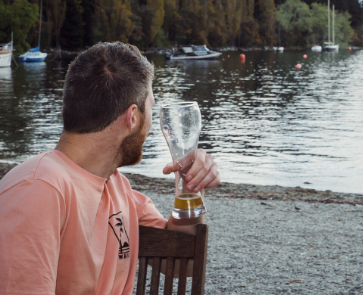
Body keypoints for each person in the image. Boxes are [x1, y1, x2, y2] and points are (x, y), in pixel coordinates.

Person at [0, 42, 220, 295]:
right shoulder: (38, 189)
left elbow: (185, 265)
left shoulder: (117, 188)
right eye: (151, 108)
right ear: (133, 118)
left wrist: (189, 186)